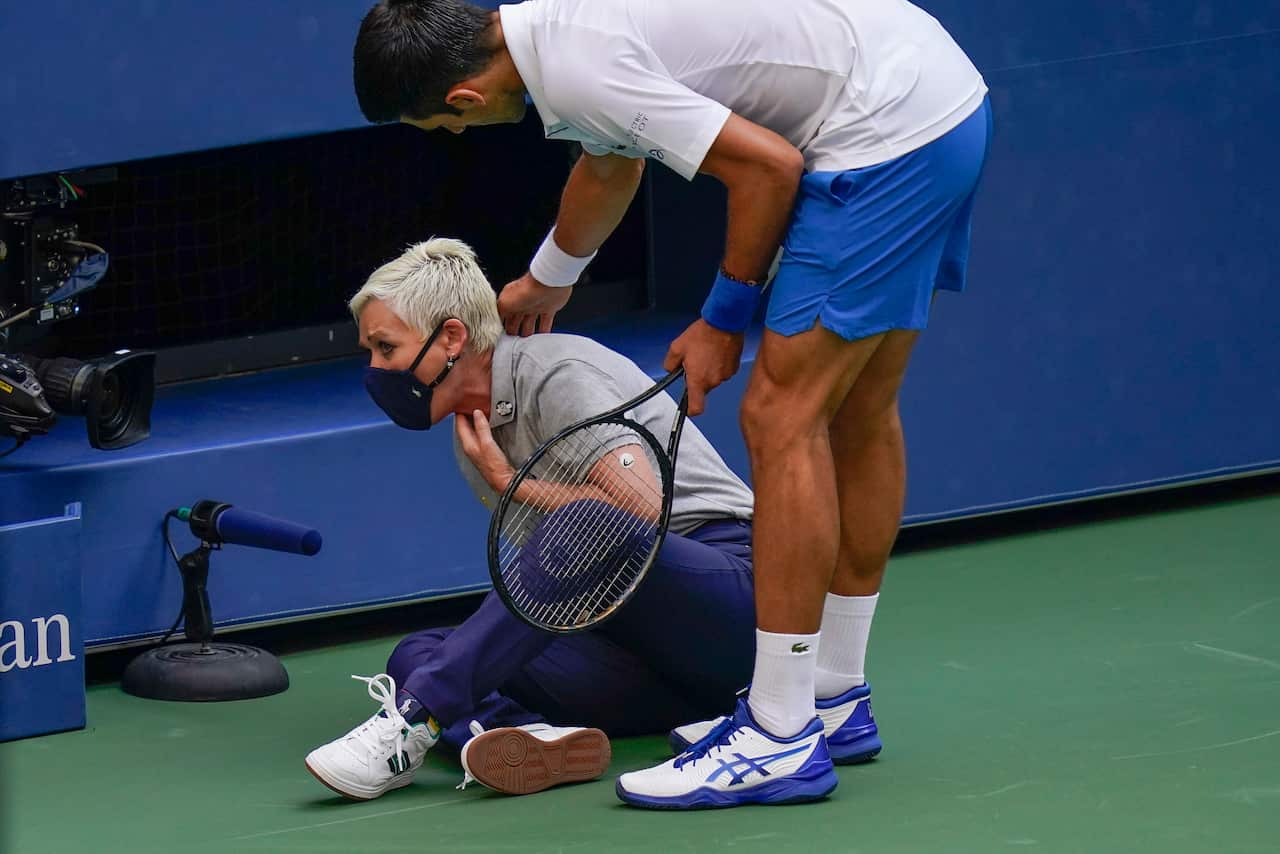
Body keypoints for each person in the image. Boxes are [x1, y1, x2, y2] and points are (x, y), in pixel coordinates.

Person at [351, 0, 991, 808]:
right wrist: (552, 275)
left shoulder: (578, 67)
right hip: (935, 100)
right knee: (859, 413)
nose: (458, 136)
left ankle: (782, 733)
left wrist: (723, 319)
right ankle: (833, 697)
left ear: (465, 99)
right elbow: (611, 163)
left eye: (444, 127)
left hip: (883, 131)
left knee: (778, 417)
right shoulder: (554, 33)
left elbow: (769, 167)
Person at [307, 238, 821, 800]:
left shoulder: (556, 372)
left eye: (386, 348)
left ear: (451, 338)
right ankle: (522, 737)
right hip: (647, 657)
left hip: (732, 600)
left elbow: (640, 513)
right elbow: (549, 597)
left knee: (589, 521)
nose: (376, 370)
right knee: (417, 651)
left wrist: (512, 485)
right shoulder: (473, 430)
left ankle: (415, 721)